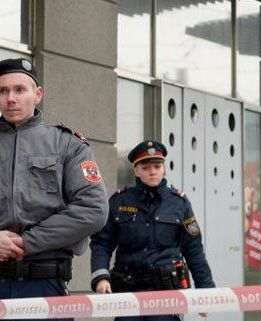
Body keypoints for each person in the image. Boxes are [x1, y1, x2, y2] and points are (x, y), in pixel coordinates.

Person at [0, 58, 109, 311]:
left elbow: (93, 210)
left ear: (37, 95)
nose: (10, 98)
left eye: (19, 90)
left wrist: (26, 242)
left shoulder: (67, 145)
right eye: (3, 91)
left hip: (45, 283)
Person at [90, 140, 215, 321]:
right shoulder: (120, 201)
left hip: (165, 295)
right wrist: (101, 276)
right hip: (128, 294)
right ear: (136, 170)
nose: (152, 171)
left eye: (157, 166)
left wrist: (205, 293)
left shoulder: (179, 203)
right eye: (146, 167)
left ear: (163, 168)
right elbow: (102, 243)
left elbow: (194, 250)